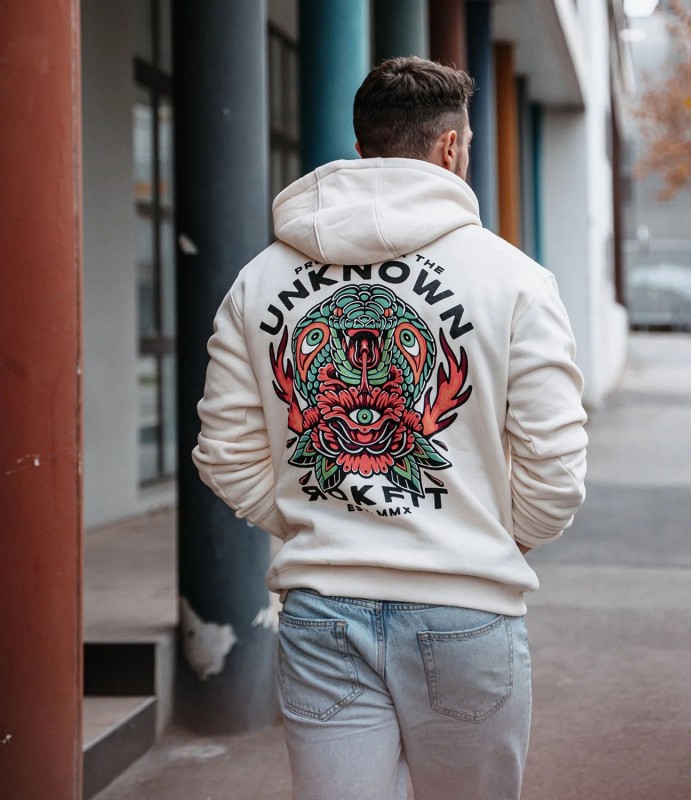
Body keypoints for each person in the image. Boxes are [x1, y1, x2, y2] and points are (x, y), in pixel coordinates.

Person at [193, 56, 588, 800]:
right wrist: (489, 538)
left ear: (363, 146)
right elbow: (556, 472)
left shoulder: (259, 279)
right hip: (468, 610)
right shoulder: (515, 280)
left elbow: (224, 454)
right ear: (450, 147)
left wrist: (320, 519)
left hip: (320, 610)